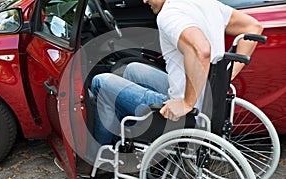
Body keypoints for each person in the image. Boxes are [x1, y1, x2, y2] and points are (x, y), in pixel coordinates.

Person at [91, 0, 263, 145]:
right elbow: (253, 26)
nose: (144, 1)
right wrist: (227, 75)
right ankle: (125, 137)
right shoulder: (207, 3)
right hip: (209, 99)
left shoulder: (169, 15)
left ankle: (102, 162)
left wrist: (187, 103)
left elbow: (201, 50)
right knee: (132, 69)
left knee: (100, 82)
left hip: (186, 115)